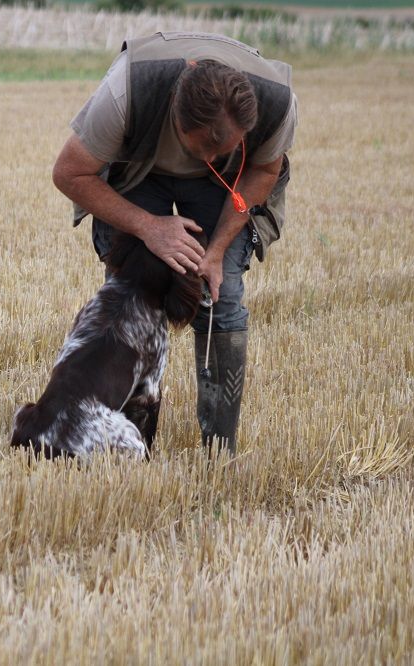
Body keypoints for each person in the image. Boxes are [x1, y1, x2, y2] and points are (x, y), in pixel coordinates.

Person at [52, 31, 298, 455]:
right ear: (176, 115)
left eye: (224, 149)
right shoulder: (129, 90)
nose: (209, 159)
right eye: (200, 148)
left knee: (222, 295)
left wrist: (216, 251)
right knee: (134, 288)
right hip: (139, 169)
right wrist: (148, 226)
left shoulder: (276, 103)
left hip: (223, 187)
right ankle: (121, 439)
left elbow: (262, 172)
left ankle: (219, 449)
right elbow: (68, 173)